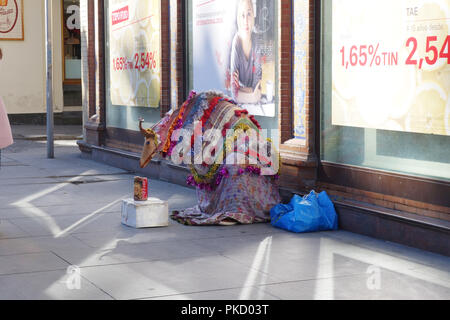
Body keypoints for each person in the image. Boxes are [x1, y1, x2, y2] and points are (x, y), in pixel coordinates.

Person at [230, 0, 262, 104]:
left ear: (253, 16)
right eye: (242, 15)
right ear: (238, 19)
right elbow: (234, 92)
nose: (246, 21)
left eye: (249, 14)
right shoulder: (236, 43)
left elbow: (257, 86)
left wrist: (242, 91)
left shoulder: (257, 42)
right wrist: (252, 97)